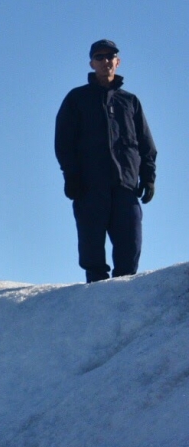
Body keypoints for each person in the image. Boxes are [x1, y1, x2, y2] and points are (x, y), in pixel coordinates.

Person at [55, 40, 157, 283]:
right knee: (91, 244)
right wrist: (71, 176)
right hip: (90, 186)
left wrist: (149, 177)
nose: (105, 61)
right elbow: (64, 142)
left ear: (117, 62)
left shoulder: (130, 101)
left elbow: (146, 143)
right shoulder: (77, 99)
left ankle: (124, 289)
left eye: (110, 56)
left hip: (126, 185)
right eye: (99, 57)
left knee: (130, 241)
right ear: (92, 63)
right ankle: (97, 291)